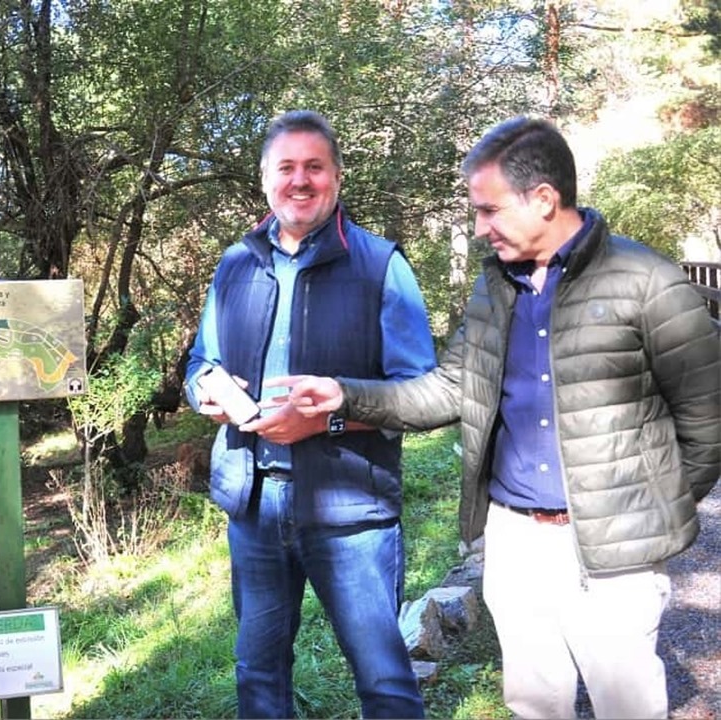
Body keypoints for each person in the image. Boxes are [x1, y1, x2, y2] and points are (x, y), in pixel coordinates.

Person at [271, 116, 721, 719]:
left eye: (489, 210)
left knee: (628, 707)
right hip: (513, 541)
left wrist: (653, 507)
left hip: (617, 550)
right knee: (535, 705)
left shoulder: (647, 282)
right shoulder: (494, 288)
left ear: (544, 199)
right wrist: (343, 394)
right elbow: (448, 388)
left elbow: (707, 418)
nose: (480, 228)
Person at [184, 110, 436, 719]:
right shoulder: (235, 263)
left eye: (314, 167)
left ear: (337, 177)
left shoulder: (380, 265)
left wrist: (328, 419)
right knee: (258, 675)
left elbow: (423, 394)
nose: (300, 180)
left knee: (383, 679)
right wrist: (205, 392)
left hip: (351, 511)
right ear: (265, 179)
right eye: (286, 167)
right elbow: (200, 360)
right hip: (255, 505)